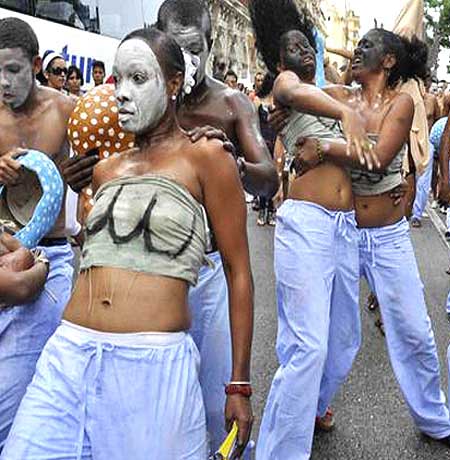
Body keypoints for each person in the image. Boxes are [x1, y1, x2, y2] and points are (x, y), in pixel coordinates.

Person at [0, 26, 254, 460]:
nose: (121, 92)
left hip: (152, 367)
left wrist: (239, 383)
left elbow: (239, 272)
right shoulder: (105, 170)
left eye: (139, 78)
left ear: (174, 84)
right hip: (68, 355)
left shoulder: (208, 157)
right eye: (117, 79)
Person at [63, 1, 278, 453]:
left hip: (209, 273)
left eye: (194, 49)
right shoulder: (133, 103)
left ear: (211, 45)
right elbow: (106, 173)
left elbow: (269, 177)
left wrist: (231, 162)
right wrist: (79, 174)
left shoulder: (231, 103)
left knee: (220, 398)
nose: (186, 60)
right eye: (174, 49)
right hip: (145, 284)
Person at [295, 28, 450, 450]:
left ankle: (436, 420)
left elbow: (381, 159)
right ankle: (310, 409)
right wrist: (282, 112)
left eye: (368, 45)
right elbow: (293, 91)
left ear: (388, 61)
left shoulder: (402, 102)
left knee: (414, 330)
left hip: (387, 238)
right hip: (342, 233)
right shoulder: (341, 98)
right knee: (334, 336)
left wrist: (324, 147)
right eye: (357, 43)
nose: (358, 49)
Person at [249, 1, 375, 458]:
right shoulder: (288, 85)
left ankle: (310, 405)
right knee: (307, 346)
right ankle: (279, 450)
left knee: (345, 337)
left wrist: (329, 137)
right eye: (294, 48)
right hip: (306, 226)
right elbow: (296, 95)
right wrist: (342, 118)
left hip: (344, 228)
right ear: (281, 61)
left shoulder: (332, 91)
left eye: (307, 44)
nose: (302, 50)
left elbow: (366, 118)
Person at [0, 17, 75, 449]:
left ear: (35, 65)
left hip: (51, 259)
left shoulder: (65, 110)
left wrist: (79, 177)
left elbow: (109, 172)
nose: (3, 82)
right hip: (1, 256)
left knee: (18, 387)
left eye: (13, 70)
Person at [411, 71, 440, 227]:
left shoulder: (432, 100)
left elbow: (438, 120)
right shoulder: (408, 97)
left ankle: (416, 215)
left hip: (426, 143)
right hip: (409, 140)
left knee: (423, 181)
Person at [252, 72, 277, 226]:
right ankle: (262, 209)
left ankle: (272, 209)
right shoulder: (257, 100)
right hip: (263, 142)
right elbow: (253, 123)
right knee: (264, 177)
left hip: (276, 142)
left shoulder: (280, 100)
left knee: (276, 176)